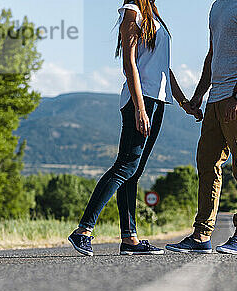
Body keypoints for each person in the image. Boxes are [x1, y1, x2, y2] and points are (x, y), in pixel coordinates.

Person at [69, 0, 201, 257]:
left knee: (134, 171)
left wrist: (184, 102)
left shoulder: (153, 14)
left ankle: (130, 239)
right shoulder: (132, 11)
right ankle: (83, 231)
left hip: (156, 100)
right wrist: (140, 108)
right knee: (125, 166)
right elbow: (129, 63)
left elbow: (162, 67)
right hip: (140, 100)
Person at [166, 0, 237, 255]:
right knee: (207, 163)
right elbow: (212, 55)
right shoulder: (217, 6)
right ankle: (201, 235)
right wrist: (199, 94)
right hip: (216, 97)